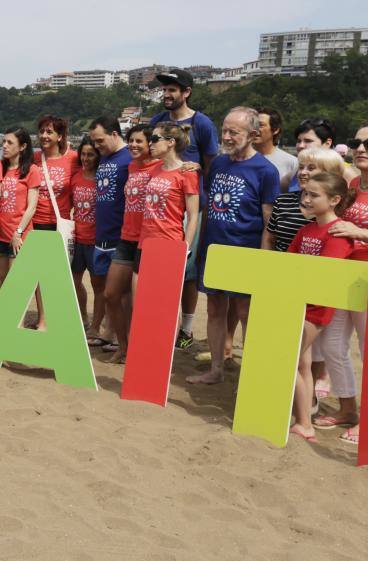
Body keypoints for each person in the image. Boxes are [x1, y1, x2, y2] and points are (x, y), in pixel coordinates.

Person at [189, 107, 280, 385]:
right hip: (215, 250)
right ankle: (216, 368)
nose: (226, 137)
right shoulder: (217, 164)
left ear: (252, 134)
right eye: (224, 130)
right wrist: (201, 247)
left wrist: (265, 258)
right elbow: (208, 210)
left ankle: (253, 374)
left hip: (246, 252)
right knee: (215, 309)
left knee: (245, 312)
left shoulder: (266, 171)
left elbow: (269, 220)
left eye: (233, 132)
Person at [150, 68, 220, 351]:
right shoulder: (156, 121)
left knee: (187, 271)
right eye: (165, 90)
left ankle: (187, 328)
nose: (167, 94)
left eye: (173, 90)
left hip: (191, 207)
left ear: (186, 92)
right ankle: (160, 324)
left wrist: (200, 169)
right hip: (160, 206)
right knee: (158, 270)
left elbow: (211, 163)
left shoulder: (201, 123)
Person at [287, 171, 354, 442]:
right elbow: (288, 263)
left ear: (335, 199)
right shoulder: (306, 229)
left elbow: (326, 275)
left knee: (290, 358)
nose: (306, 198)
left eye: (314, 195)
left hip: (315, 308)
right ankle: (304, 422)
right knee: (301, 363)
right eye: (305, 193)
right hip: (296, 301)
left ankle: (303, 421)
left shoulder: (338, 233)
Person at [326, 125, 368, 446]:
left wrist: (360, 233)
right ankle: (347, 409)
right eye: (356, 142)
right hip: (343, 276)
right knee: (333, 346)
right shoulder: (353, 183)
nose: (361, 148)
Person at [103, 124, 160, 358]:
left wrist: (192, 165)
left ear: (150, 145)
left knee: (142, 303)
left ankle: (141, 351)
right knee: (111, 294)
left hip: (149, 241)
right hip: (126, 238)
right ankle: (124, 345)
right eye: (131, 141)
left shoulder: (161, 167)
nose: (134, 145)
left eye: (139, 141)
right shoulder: (130, 167)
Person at [136, 123, 200, 294]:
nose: (150, 143)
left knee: (168, 304)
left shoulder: (187, 173)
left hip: (170, 243)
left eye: (155, 139)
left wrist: (185, 247)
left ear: (171, 142)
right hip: (145, 243)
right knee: (144, 299)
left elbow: (193, 216)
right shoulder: (155, 167)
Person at [30, 115, 78, 331]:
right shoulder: (34, 158)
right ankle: (42, 319)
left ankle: (73, 317)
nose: (44, 136)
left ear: (60, 136)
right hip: (34, 223)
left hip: (59, 225)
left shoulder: (73, 159)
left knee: (61, 276)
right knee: (38, 275)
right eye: (41, 131)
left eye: (49, 132)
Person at [88, 115, 132, 343]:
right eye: (94, 142)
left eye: (100, 140)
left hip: (121, 235)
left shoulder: (130, 158)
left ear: (115, 134)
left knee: (120, 293)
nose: (97, 146)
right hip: (101, 234)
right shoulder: (104, 158)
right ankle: (109, 331)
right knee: (104, 288)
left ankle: (120, 337)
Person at [70, 136, 107, 347]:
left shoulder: (103, 177)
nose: (85, 158)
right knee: (74, 283)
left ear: (97, 156)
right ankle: (83, 319)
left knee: (98, 285)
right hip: (77, 239)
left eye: (90, 154)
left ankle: (95, 325)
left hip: (96, 241)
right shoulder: (75, 177)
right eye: (83, 154)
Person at [0, 127, 41, 285]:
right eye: (4, 141)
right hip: (0, 234)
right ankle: (4, 310)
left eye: (9, 142)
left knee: (15, 282)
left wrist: (18, 233)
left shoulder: (31, 170)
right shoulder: (0, 167)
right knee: (3, 279)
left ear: (23, 146)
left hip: (19, 234)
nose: (4, 145)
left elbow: (32, 206)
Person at [254, 106, 298, 192]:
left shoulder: (291, 162)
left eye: (260, 125)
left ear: (275, 130)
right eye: (253, 125)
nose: (255, 129)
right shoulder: (241, 159)